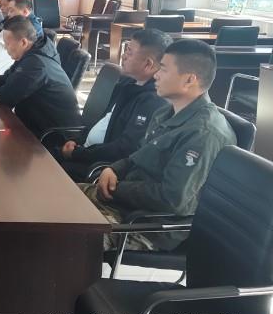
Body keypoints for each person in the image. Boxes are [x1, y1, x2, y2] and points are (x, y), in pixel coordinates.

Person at [80, 39, 237, 251]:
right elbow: (141, 154)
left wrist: (117, 189)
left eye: (163, 69)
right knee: (56, 199)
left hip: (145, 224)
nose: (156, 75)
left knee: (61, 237)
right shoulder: (166, 112)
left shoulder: (203, 133)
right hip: (124, 204)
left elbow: (171, 199)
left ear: (189, 80)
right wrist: (114, 169)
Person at [55, 29, 172, 181]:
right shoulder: (127, 83)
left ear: (148, 64)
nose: (123, 55)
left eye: (129, 52)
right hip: (85, 150)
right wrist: (77, 142)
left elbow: (124, 148)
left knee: (49, 170)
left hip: (100, 166)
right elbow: (102, 121)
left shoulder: (153, 102)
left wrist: (78, 153)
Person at [0, 16, 81, 137]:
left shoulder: (36, 65)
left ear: (23, 42)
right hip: (35, 125)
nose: (5, 48)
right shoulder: (31, 54)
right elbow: (4, 80)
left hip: (56, 136)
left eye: (7, 44)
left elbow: (6, 97)